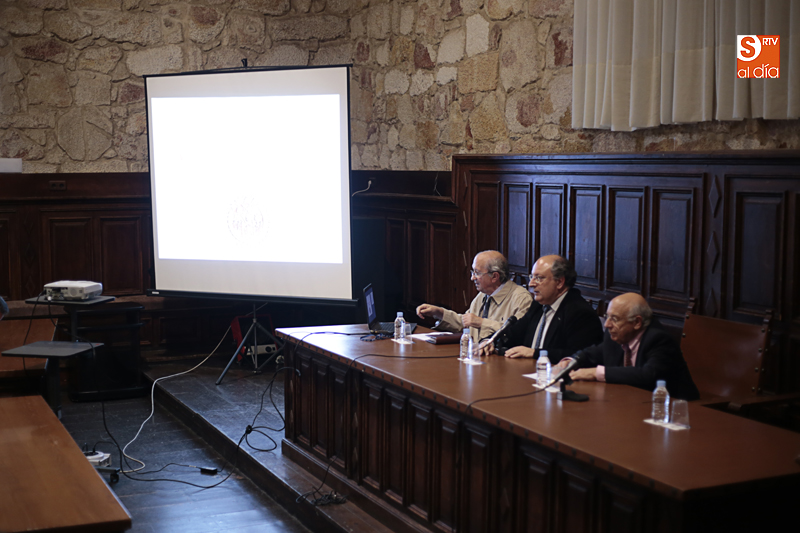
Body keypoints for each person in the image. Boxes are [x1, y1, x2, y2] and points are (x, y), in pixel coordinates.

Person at [562, 292, 700, 401]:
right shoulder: (617, 335)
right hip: (631, 401)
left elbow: (648, 375)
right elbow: (595, 352)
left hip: (675, 409)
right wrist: (571, 361)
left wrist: (595, 373)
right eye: (607, 316)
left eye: (614, 319)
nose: (607, 324)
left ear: (637, 322)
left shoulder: (659, 339)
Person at [489, 255, 603, 362]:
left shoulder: (579, 312)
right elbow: (513, 334)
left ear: (559, 282)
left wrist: (535, 353)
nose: (531, 284)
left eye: (539, 278)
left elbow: (578, 356)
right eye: (532, 277)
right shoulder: (538, 305)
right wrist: (490, 343)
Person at [416, 250, 532, 341]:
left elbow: (518, 334)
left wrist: (481, 323)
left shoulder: (521, 298)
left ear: (495, 276)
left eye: (477, 273)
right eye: (473, 272)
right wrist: (439, 313)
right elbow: (465, 322)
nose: (472, 278)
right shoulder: (483, 294)